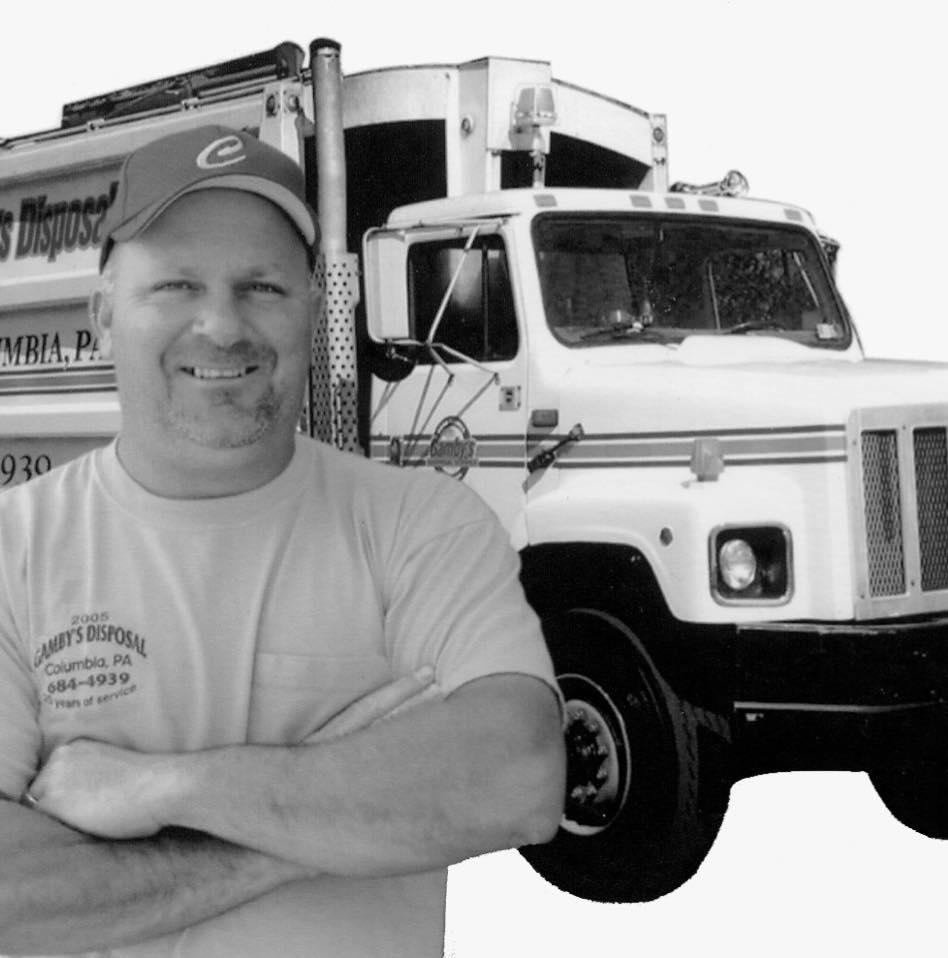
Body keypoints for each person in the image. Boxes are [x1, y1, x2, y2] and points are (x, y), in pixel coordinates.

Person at [0, 125, 565, 957]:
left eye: (262, 287)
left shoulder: (420, 524)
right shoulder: (14, 549)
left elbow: (515, 778)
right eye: (176, 286)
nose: (221, 326)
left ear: (314, 306)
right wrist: (329, 815)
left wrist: (160, 787)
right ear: (100, 315)